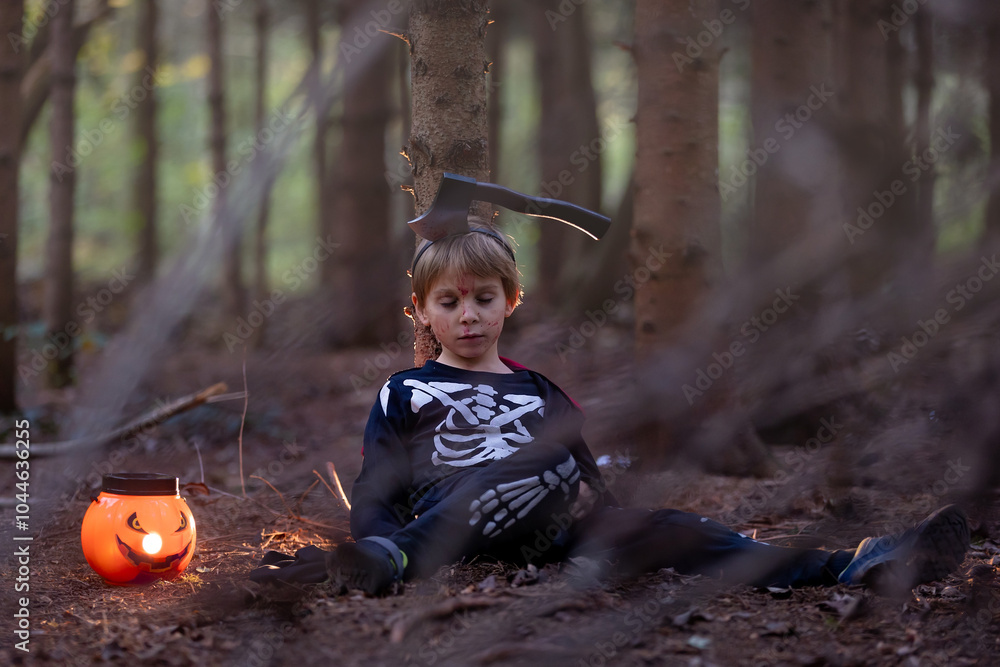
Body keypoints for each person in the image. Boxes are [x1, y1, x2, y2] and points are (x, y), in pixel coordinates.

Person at [250, 222, 970, 596]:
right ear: (422, 311)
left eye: (483, 298)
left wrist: (624, 526)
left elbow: (590, 481)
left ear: (511, 302)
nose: (468, 315)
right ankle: (399, 557)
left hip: (552, 524)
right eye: (449, 302)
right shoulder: (404, 391)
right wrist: (376, 545)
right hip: (449, 526)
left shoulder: (541, 390)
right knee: (515, 470)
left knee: (674, 526)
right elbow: (378, 486)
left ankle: (840, 565)